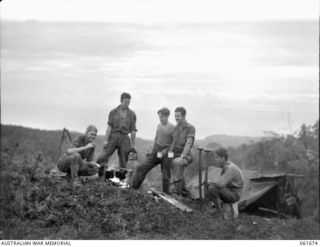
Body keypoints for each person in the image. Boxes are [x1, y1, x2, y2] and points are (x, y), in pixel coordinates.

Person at [131, 107, 174, 193]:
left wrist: (166, 151)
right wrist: (152, 151)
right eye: (159, 117)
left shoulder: (172, 128)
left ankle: (166, 195)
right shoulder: (159, 125)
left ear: (167, 116)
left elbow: (174, 144)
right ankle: (133, 188)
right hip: (157, 151)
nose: (160, 119)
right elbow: (156, 139)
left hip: (167, 153)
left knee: (165, 175)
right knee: (142, 167)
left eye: (162, 117)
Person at [97, 92, 137, 179]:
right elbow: (109, 127)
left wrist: (133, 144)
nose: (127, 104)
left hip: (125, 137)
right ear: (121, 101)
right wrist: (106, 140)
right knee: (103, 156)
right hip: (113, 136)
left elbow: (133, 130)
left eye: (128, 102)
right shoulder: (113, 112)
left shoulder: (132, 114)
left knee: (123, 160)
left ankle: (121, 180)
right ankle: (101, 176)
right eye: (125, 102)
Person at [206, 147, 244, 219]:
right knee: (211, 188)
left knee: (212, 189)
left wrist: (209, 182)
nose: (215, 160)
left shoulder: (231, 168)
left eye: (217, 158)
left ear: (223, 158)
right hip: (229, 191)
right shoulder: (226, 166)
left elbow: (220, 184)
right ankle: (218, 210)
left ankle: (219, 213)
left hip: (234, 194)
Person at [169, 107, 195, 196]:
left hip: (186, 155)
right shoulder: (175, 128)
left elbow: (189, 143)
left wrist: (182, 156)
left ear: (184, 116)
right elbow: (173, 143)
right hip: (175, 153)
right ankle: (170, 188)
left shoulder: (190, 128)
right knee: (164, 160)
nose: (176, 118)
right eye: (175, 116)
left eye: (178, 116)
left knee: (177, 163)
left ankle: (178, 190)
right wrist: (169, 153)